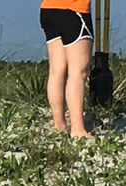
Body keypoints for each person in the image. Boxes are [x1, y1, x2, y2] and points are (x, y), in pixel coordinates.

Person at [40, 0, 95, 138]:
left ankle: (59, 126)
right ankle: (77, 129)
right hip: (73, 10)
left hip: (49, 9)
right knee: (78, 71)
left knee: (56, 70)